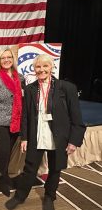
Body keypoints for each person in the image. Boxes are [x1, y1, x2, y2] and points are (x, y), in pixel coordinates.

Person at [5, 54, 86, 210]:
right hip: (37, 134)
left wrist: (74, 140)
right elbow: (26, 116)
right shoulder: (30, 89)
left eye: (45, 66)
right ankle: (20, 197)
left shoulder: (67, 88)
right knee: (29, 168)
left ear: (52, 67)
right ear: (34, 69)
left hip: (59, 136)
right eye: (38, 67)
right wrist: (24, 138)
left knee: (55, 168)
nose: (41, 70)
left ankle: (49, 197)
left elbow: (76, 117)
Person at [0, 47, 24, 197]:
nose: (6, 60)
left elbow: (23, 99)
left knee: (10, 153)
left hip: (16, 121)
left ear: (13, 59)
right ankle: (2, 179)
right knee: (3, 152)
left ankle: (7, 174)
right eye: (3, 58)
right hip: (0, 121)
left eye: (9, 57)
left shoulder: (20, 77)